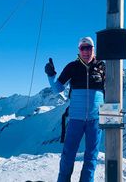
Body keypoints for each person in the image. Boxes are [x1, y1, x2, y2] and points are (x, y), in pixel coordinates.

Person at [45, 37, 105, 182]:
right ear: (79, 50)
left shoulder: (102, 67)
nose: (86, 51)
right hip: (75, 119)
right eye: (82, 48)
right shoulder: (72, 66)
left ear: (93, 49)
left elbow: (113, 87)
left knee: (91, 156)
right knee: (68, 154)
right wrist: (51, 75)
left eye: (88, 48)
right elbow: (58, 88)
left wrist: (119, 77)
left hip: (96, 119)